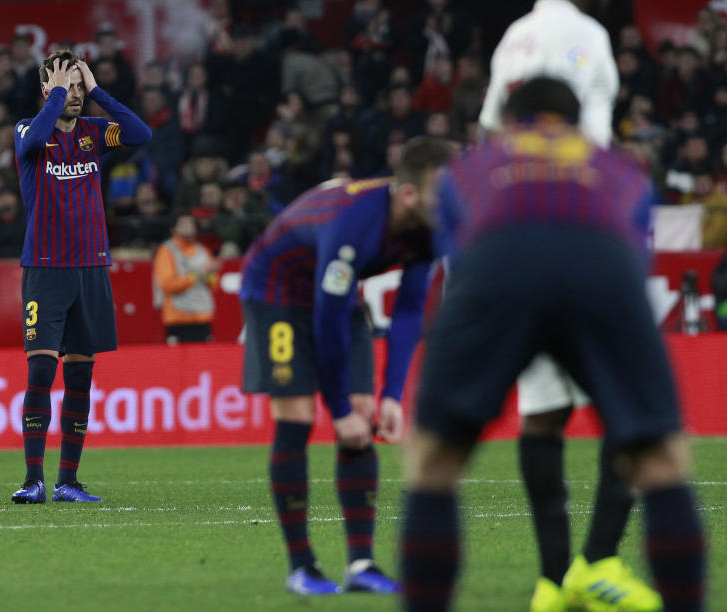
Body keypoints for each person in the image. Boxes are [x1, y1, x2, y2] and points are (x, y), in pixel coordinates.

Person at [401, 78, 706, 612]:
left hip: (497, 268)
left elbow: (456, 251)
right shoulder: (618, 169)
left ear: (510, 119)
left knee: (434, 459)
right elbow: (638, 252)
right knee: (662, 458)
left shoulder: (474, 165)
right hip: (602, 272)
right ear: (574, 120)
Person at [478, 3, 657, 611]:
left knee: (542, 412)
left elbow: (489, 136)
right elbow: (597, 143)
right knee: (636, 407)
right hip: (583, 230)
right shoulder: (589, 36)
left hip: (517, 234)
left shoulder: (513, 39)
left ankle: (554, 580)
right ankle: (599, 560)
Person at [239, 138, 455, 595]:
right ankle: (303, 568)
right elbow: (327, 319)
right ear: (411, 196)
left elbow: (412, 309)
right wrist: (336, 409)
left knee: (365, 413)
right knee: (299, 416)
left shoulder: (433, 226)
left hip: (335, 294)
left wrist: (393, 394)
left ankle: (362, 566)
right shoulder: (353, 223)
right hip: (276, 291)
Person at [10, 50, 151, 504]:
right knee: (40, 372)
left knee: (80, 380)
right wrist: (55, 95)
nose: (72, 95)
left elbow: (140, 133)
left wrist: (96, 90)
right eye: (65, 86)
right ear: (47, 89)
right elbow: (31, 146)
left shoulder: (95, 132)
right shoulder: (28, 131)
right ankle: (33, 479)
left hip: (90, 269)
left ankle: (67, 481)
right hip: (45, 271)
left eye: (76, 87)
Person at [153, 213, 219, 344]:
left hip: (202, 316)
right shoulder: (167, 250)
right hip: (178, 317)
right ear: (174, 229)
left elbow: (213, 287)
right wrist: (195, 276)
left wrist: (210, 275)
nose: (188, 227)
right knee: (177, 363)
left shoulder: (203, 250)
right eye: (183, 224)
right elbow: (166, 284)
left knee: (204, 362)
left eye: (191, 223)